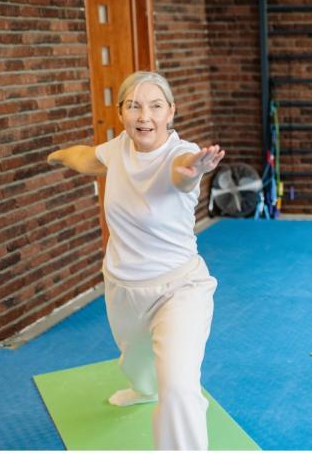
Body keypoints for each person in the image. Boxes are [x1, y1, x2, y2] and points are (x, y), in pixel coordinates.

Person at [47, 71, 226, 450]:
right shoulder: (118, 149)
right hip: (123, 288)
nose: (145, 115)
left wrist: (196, 168)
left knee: (177, 388)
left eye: (155, 106)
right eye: (134, 106)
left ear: (170, 112)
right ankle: (143, 389)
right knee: (138, 366)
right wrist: (58, 155)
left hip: (180, 288)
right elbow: (86, 158)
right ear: (122, 114)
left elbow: (182, 173)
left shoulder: (179, 154)